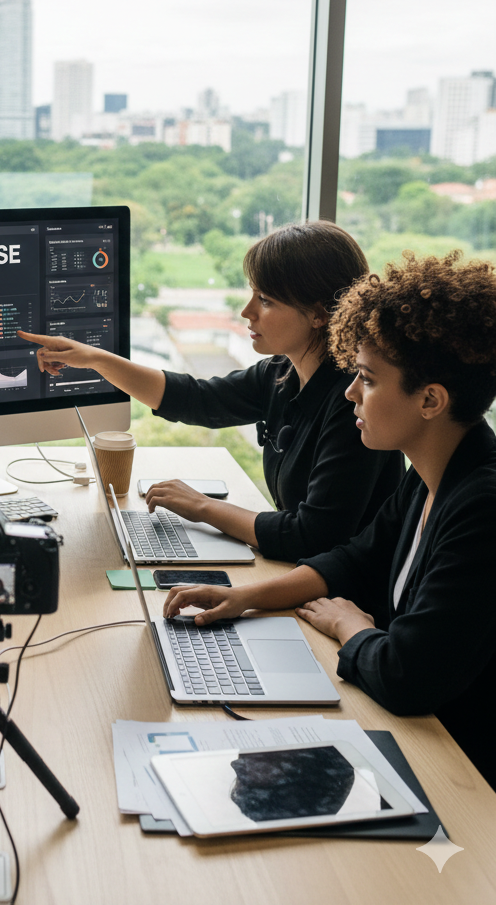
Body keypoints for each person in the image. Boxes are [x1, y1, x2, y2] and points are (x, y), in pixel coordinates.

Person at [163, 251, 496, 789]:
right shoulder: (431, 475)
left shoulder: (482, 505)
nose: (349, 393)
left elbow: (406, 675)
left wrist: (349, 625)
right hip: (422, 738)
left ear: (430, 399)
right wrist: (247, 597)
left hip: (461, 770)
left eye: (366, 379)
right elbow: (355, 558)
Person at [19, 221, 404, 562]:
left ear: (319, 314)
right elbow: (197, 399)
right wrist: (97, 359)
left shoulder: (354, 402)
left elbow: (311, 536)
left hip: (346, 602)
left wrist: (201, 507)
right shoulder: (283, 373)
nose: (247, 311)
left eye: (266, 300)